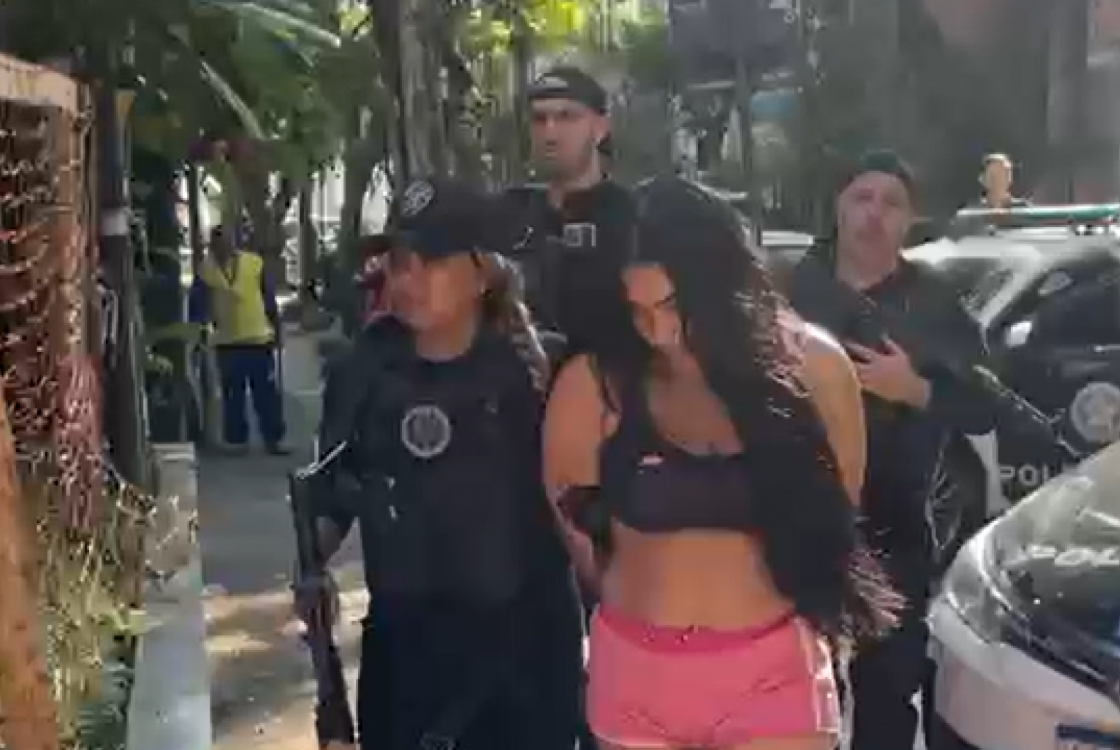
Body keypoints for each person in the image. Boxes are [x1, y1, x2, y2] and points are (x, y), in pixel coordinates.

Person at [544, 177, 901, 750]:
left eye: (673, 308)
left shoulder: (814, 368)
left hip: (774, 671)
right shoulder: (595, 383)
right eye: (638, 311)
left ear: (723, 286)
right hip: (636, 676)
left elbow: (838, 512)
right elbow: (575, 527)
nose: (659, 333)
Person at [298, 177, 584, 750]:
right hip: (406, 658)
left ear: (483, 273)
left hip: (523, 659)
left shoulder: (540, 369)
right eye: (400, 263)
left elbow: (582, 513)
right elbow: (332, 494)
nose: (409, 279)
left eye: (430, 262)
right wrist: (312, 567)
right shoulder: (365, 369)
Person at [789, 151, 996, 750]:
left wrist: (915, 389)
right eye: (862, 198)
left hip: (894, 530)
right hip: (797, 523)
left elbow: (983, 405)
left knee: (886, 699)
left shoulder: (934, 303)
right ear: (837, 206)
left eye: (891, 203)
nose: (874, 214)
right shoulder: (789, 290)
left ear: (911, 220)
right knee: (797, 700)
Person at [501, 65, 637, 358]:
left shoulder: (635, 219)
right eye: (539, 119)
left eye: (567, 117)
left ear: (600, 128)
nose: (550, 132)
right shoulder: (507, 215)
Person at [189, 224, 289, 454]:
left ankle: (273, 438)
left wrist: (277, 328)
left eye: (228, 242)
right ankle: (237, 440)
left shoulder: (254, 263)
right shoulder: (206, 271)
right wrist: (199, 333)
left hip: (258, 338)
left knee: (266, 393)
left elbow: (268, 298)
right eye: (219, 244)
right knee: (233, 394)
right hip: (227, 341)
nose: (225, 247)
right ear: (213, 246)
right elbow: (198, 306)